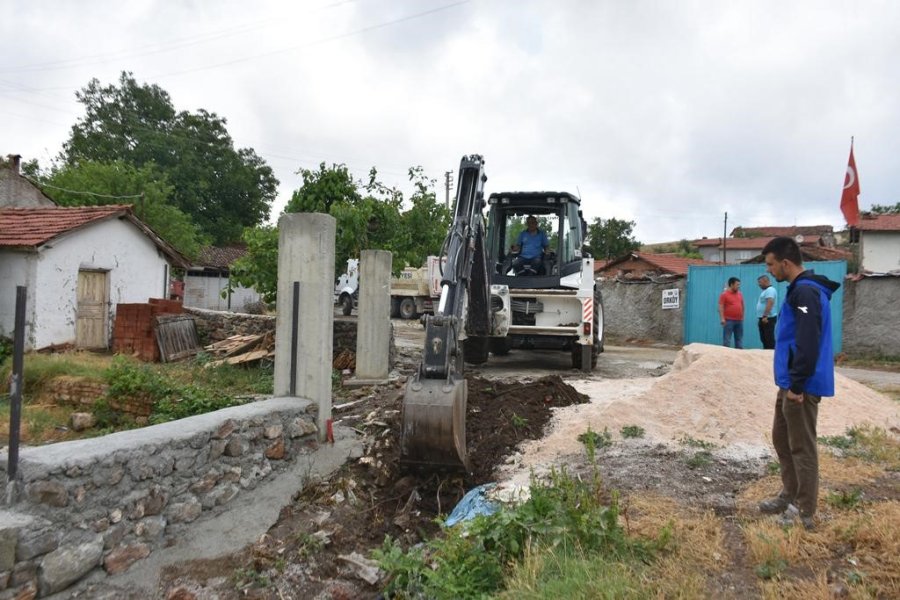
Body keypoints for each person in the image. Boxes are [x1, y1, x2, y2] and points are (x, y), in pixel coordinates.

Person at [757, 236, 840, 530]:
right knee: (781, 438)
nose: (770, 271)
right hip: (790, 381)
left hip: (800, 385)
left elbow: (808, 338)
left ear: (786, 263)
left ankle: (804, 511)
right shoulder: (799, 291)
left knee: (802, 446)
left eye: (771, 265)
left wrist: (798, 385)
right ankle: (789, 493)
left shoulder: (805, 294)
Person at [718, 277, 744, 348]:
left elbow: (742, 305)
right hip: (729, 320)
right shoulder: (724, 295)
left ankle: (739, 355)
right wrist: (722, 318)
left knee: (739, 339)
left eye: (739, 285)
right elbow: (720, 307)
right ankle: (726, 356)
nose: (739, 286)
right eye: (737, 285)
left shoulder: (740, 294)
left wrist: (742, 317)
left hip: (739, 321)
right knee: (727, 340)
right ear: (731, 284)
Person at [756, 274, 778, 350]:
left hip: (767, 319)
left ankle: (771, 355)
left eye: (760, 282)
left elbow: (770, 302)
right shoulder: (766, 291)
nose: (759, 284)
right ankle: (766, 354)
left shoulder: (770, 290)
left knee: (769, 339)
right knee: (764, 339)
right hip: (763, 318)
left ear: (766, 281)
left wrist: (765, 316)